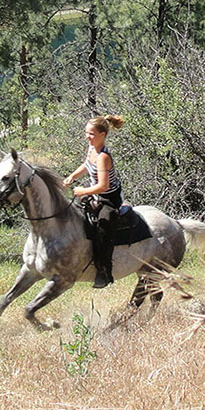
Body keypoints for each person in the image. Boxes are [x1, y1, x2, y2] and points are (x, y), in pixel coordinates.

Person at [63, 115, 124, 288]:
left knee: (103, 229)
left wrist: (83, 191)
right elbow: (86, 165)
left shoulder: (104, 156)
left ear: (102, 134)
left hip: (109, 198)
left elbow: (103, 186)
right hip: (94, 193)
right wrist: (73, 176)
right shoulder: (92, 149)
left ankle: (104, 271)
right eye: (86, 133)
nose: (87, 137)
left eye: (91, 134)